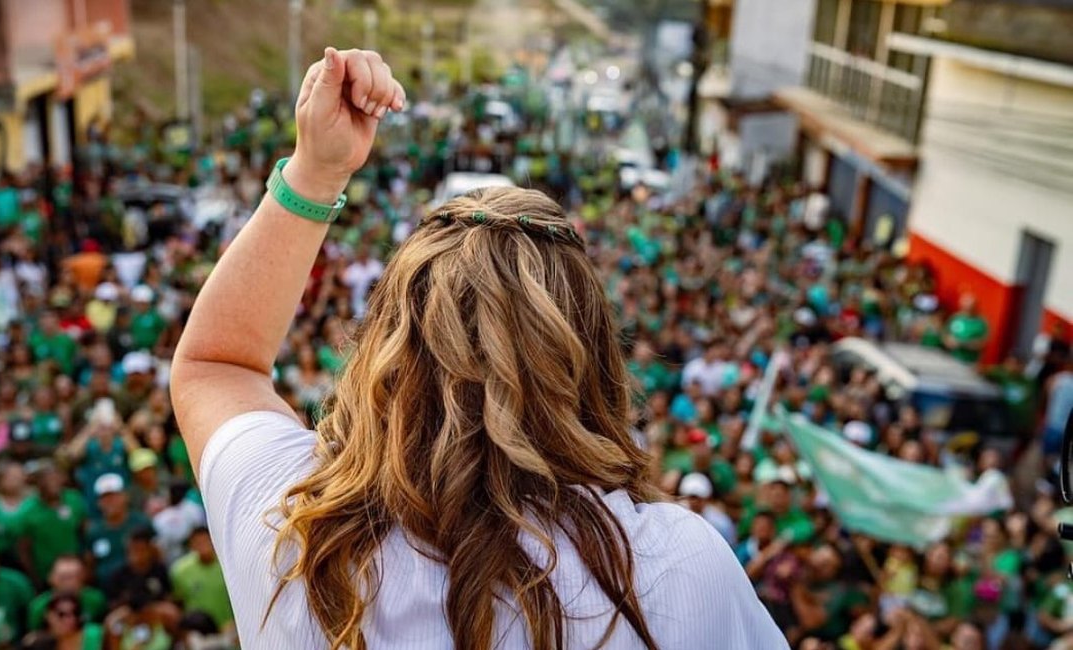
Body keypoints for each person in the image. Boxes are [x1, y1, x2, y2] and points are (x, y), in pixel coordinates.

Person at [171, 47, 785, 648]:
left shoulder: (297, 534)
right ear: (591, 357)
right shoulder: (675, 568)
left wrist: (315, 170)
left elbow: (215, 364)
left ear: (383, 349)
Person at [169, 527, 233, 632]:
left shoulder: (227, 564)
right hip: (198, 634)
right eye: (198, 542)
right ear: (191, 545)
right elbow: (178, 601)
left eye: (206, 541)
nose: (203, 546)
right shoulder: (179, 571)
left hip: (230, 629)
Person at [26, 556, 107, 632]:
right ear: (51, 578)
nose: (69, 583)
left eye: (74, 577)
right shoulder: (39, 607)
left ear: (84, 577)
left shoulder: (96, 600)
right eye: (63, 578)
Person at [20, 591, 105, 650]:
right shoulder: (36, 643)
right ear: (48, 615)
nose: (70, 619)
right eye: (62, 614)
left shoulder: (95, 635)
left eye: (74, 613)